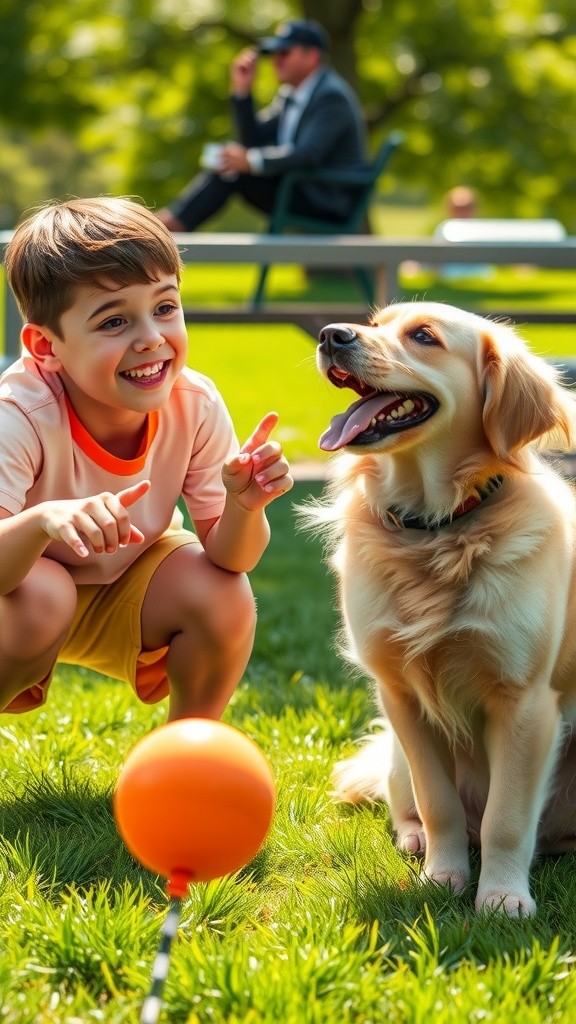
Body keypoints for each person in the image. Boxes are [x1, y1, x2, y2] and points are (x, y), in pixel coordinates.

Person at [0, 196, 293, 720]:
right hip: (20, 598)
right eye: (114, 322)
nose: (152, 339)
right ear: (45, 347)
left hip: (126, 588)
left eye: (165, 308)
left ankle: (186, 758)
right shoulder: (19, 413)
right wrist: (43, 521)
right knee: (45, 592)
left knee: (221, 592)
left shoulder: (194, 402)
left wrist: (245, 507)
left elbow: (233, 558)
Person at [157, 19, 368, 232]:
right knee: (228, 161)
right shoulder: (291, 95)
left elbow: (309, 154)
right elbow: (251, 141)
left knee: (235, 169)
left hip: (325, 201)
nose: (276, 61)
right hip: (296, 187)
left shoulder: (331, 96)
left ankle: (169, 227)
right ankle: (170, 224)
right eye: (275, 54)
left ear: (311, 56)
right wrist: (243, 90)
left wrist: (249, 160)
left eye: (285, 53)